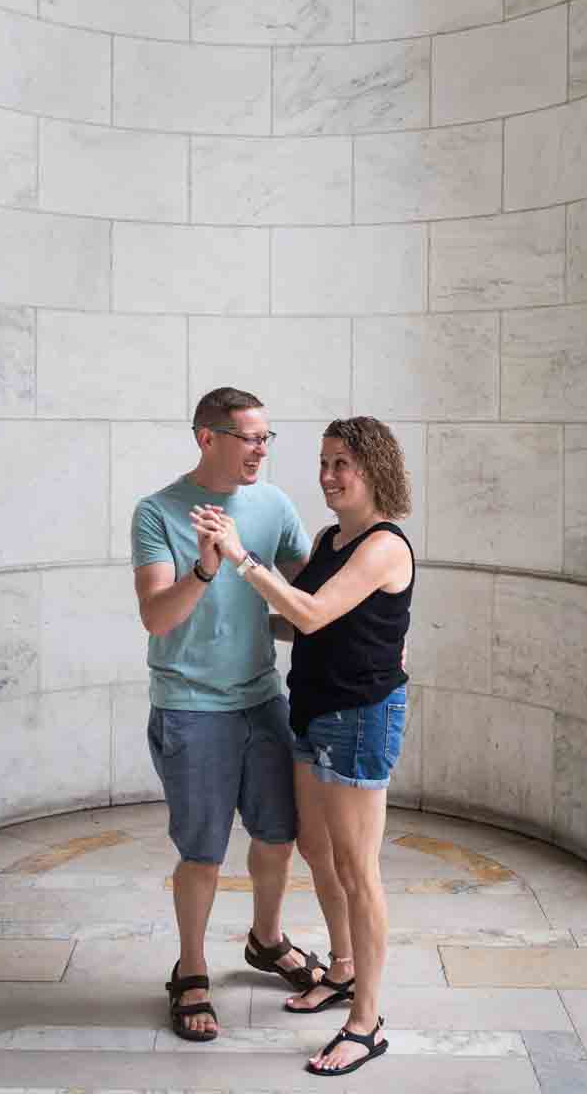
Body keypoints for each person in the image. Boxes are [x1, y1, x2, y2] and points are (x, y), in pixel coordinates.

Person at [191, 415, 414, 1078]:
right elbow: (303, 624)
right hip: (312, 712)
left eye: (341, 463)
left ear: (374, 467)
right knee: (316, 853)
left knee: (357, 871)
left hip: (359, 719)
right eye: (322, 462)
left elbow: (312, 613)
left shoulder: (383, 546)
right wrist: (228, 619)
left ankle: (366, 1022)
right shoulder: (329, 538)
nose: (327, 476)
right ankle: (342, 972)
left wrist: (240, 557)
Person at [131, 386, 326, 1044]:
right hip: (190, 707)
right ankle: (189, 970)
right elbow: (158, 617)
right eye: (249, 437)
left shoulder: (272, 505)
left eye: (267, 438)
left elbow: (309, 598)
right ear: (206, 437)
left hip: (261, 697)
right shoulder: (158, 511)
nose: (261, 450)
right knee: (204, 853)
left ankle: (265, 940)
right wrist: (207, 566)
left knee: (277, 838)